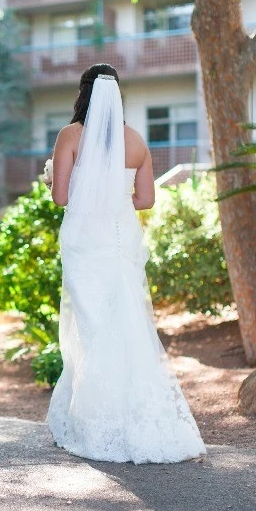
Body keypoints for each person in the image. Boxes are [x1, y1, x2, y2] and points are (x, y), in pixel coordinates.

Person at [45, 63, 206, 463]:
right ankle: (138, 417)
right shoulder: (134, 140)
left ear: (83, 95)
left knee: (92, 325)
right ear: (118, 95)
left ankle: (96, 420)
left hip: (84, 240)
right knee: (127, 323)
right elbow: (146, 199)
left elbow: (61, 198)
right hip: (119, 239)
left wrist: (53, 178)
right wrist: (116, 198)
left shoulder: (71, 136)